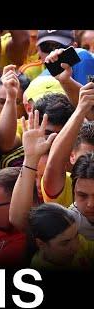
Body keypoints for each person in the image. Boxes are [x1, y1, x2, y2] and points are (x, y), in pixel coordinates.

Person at [41, 83, 94, 239]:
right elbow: (54, 163)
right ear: (71, 155)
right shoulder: (64, 182)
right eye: (82, 195)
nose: (90, 204)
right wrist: (80, 110)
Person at [28, 203, 94, 269]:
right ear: (41, 243)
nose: (76, 246)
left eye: (76, 236)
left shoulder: (76, 239)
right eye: (65, 243)